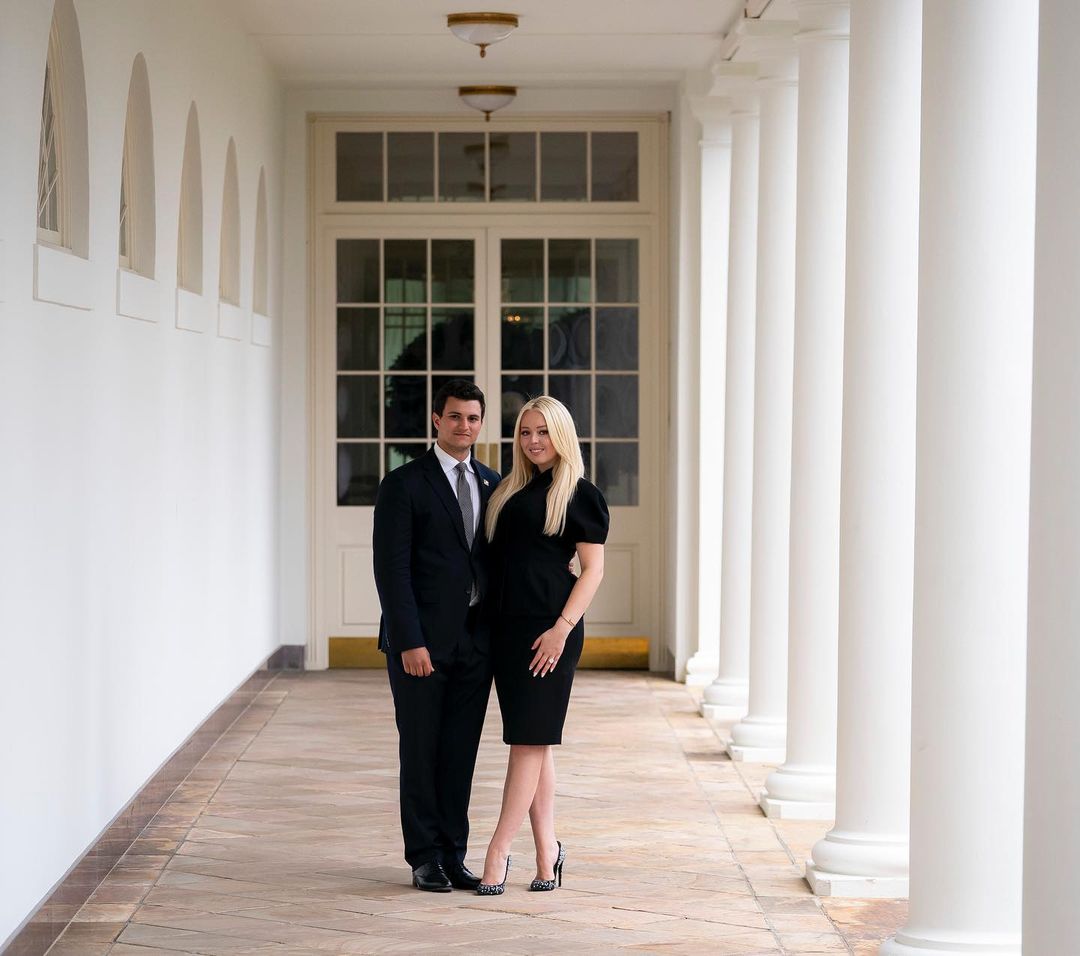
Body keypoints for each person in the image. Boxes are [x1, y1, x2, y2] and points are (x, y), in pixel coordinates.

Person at [475, 396, 609, 895]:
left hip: (550, 631)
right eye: (526, 432)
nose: (534, 441)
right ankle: (547, 852)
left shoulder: (580, 494)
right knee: (535, 740)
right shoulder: (508, 490)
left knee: (528, 741)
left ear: (561, 435)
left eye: (543, 432)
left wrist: (561, 629)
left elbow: (593, 570)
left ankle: (498, 850)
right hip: (507, 629)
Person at [372, 379, 502, 893]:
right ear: (436, 420)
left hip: (475, 643)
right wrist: (409, 641)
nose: (463, 426)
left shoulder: (493, 483)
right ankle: (424, 857)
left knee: (460, 754)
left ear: (480, 423)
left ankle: (453, 853)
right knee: (421, 751)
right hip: (420, 645)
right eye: (454, 416)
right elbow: (391, 571)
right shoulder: (404, 484)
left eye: (472, 418)